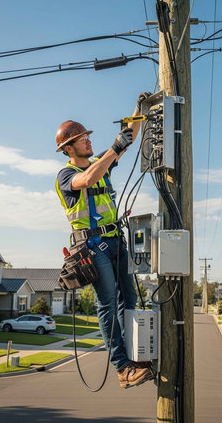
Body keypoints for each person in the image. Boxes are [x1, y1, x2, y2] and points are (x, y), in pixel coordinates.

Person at [55, 92, 153, 389]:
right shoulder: (65, 175)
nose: (88, 140)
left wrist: (139, 110)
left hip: (115, 241)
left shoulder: (101, 161)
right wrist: (114, 148)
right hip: (92, 247)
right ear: (68, 147)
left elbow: (128, 138)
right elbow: (88, 179)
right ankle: (122, 368)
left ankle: (137, 358)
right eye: (82, 138)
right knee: (107, 303)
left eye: (87, 136)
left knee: (130, 299)